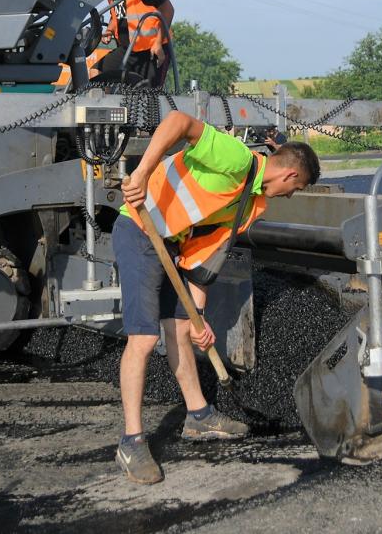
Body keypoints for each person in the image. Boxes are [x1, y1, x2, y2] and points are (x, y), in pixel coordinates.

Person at [113, 111, 320, 484]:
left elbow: (206, 255)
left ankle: (198, 416)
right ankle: (131, 441)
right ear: (290, 175)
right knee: (143, 338)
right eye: (298, 187)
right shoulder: (235, 157)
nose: (292, 194)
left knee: (179, 326)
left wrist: (199, 316)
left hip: (170, 243)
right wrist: (142, 173)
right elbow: (177, 121)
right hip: (138, 228)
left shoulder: (251, 201)